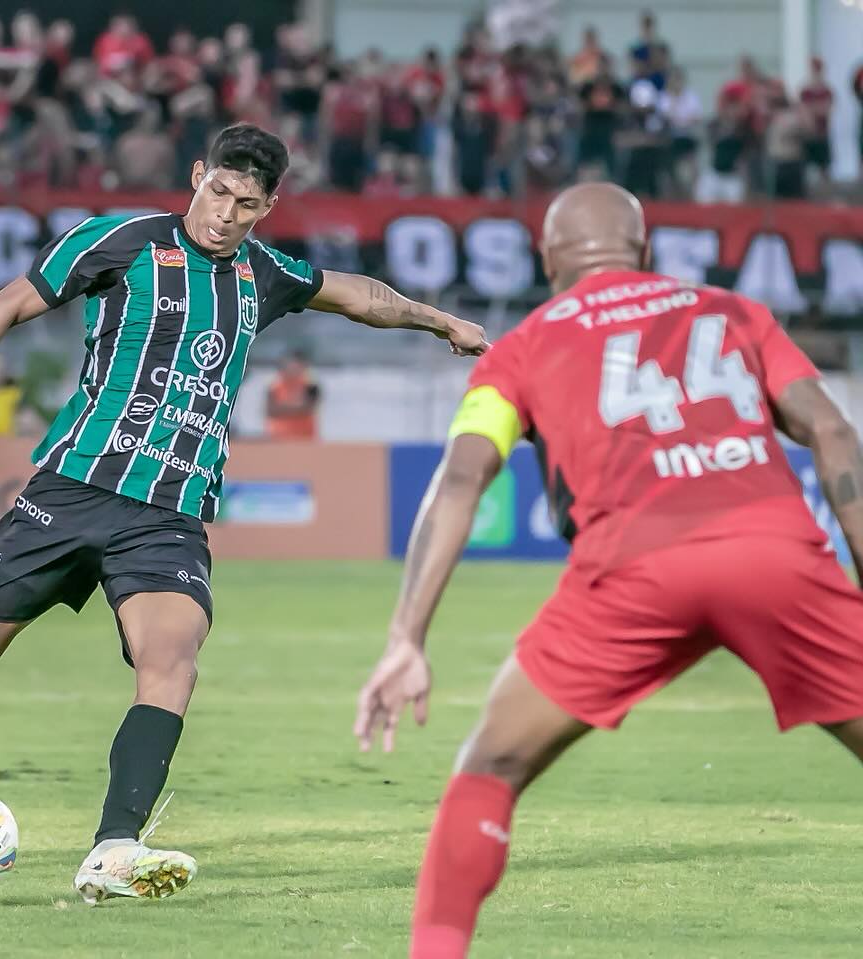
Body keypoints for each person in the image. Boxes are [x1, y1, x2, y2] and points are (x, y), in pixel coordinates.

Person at [0, 123, 489, 904]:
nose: (226, 213)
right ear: (198, 175)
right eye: (218, 192)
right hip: (70, 491)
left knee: (171, 659)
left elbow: (357, 295)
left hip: (167, 517)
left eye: (247, 203)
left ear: (266, 206)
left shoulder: (262, 272)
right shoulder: (121, 239)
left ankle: (113, 847)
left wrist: (439, 320)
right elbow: (4, 307)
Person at [353, 182, 863, 958]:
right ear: (647, 253)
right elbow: (830, 432)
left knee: (490, 763)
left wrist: (405, 636)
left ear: (549, 259)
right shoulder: (734, 313)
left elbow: (460, 482)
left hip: (634, 567)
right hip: (773, 552)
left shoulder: (522, 346)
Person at [265, 350, 321, 440]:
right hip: (278, 437)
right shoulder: (274, 387)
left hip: (305, 437)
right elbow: (271, 410)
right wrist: (297, 407)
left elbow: (308, 408)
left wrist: (283, 408)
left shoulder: (310, 385)